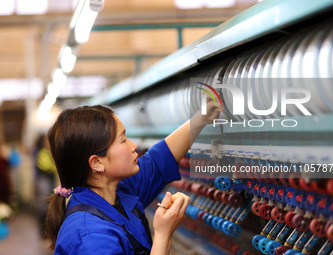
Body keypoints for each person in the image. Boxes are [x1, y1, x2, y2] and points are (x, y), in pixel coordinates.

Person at [45, 102, 220, 255]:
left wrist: (201, 118)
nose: (133, 146)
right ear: (97, 163)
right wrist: (163, 235)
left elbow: (159, 160)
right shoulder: (91, 238)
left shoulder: (120, 191)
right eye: (123, 140)